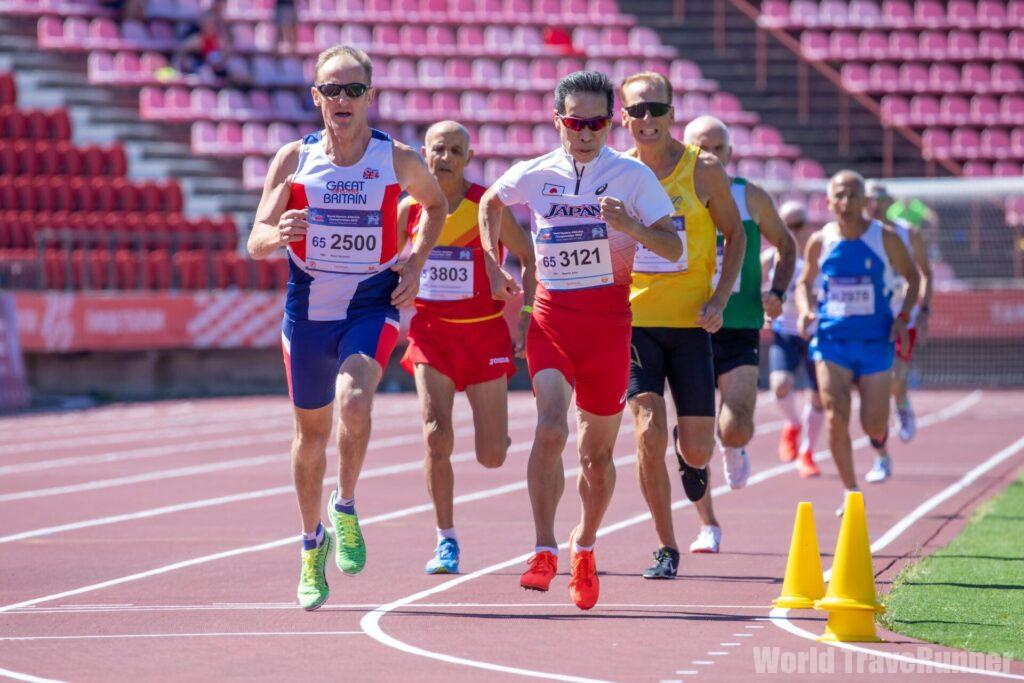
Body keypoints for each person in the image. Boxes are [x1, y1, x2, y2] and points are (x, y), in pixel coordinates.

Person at [247, 45, 448, 610]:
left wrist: (414, 260)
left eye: (352, 90)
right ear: (316, 98)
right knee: (311, 437)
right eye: (331, 90)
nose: (342, 100)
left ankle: (347, 505)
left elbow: (434, 206)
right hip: (308, 309)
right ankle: (312, 544)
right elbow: (255, 239)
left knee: (355, 401)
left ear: (370, 97)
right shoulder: (293, 160)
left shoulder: (396, 158)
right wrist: (279, 232)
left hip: (369, 303)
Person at [479, 71, 682, 609]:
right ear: (558, 121)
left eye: (596, 123)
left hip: (609, 329)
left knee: (595, 458)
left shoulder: (632, 178)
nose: (586, 132)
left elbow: (672, 245)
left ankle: (584, 545)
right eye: (576, 123)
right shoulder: (536, 172)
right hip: (552, 320)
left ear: (610, 122)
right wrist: (493, 262)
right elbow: (489, 204)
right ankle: (544, 548)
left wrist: (633, 228)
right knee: (549, 429)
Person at [618, 73, 746, 577]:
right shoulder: (613, 171)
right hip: (634, 326)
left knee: (696, 448)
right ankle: (666, 546)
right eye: (637, 111)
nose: (647, 119)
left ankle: (686, 452)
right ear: (623, 119)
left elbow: (735, 237)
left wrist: (719, 298)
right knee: (645, 430)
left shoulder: (703, 171)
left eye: (656, 109)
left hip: (693, 325)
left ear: (672, 113)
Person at [397, 120, 536, 575]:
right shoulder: (409, 210)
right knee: (436, 436)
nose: (446, 158)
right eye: (438, 149)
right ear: (424, 153)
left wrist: (527, 315)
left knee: (491, 456)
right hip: (432, 335)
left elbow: (529, 255)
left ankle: (499, 436)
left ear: (468, 158)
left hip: (482, 336)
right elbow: (382, 261)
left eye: (456, 151)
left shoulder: (486, 206)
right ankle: (446, 540)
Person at [678, 115, 797, 553]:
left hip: (739, 325)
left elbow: (787, 246)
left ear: (730, 155)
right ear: (686, 149)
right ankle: (707, 524)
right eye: (699, 146)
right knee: (693, 438)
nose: (708, 154)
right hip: (685, 325)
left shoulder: (751, 197)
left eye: (717, 148)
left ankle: (735, 446)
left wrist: (777, 291)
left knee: (736, 424)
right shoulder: (672, 192)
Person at [796, 171, 920, 515]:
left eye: (853, 195)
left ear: (865, 200)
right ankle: (851, 492)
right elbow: (804, 283)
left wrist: (903, 316)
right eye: (840, 195)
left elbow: (913, 278)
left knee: (873, 423)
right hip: (832, 341)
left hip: (875, 341)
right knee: (836, 413)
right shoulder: (820, 241)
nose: (846, 203)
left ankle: (880, 442)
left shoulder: (886, 238)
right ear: (828, 201)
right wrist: (806, 311)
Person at [865, 180, 933, 443]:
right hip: (871, 316)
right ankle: (879, 429)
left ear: (889, 202)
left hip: (904, 316)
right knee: (875, 377)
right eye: (870, 199)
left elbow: (925, 273)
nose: (875, 205)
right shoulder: (859, 235)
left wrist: (924, 310)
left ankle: (901, 405)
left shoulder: (909, 233)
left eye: (880, 199)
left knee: (896, 374)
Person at [764, 200, 825, 478]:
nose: (792, 231)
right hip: (785, 333)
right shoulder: (768, 260)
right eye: (786, 226)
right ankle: (792, 425)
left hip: (817, 334)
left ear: (807, 226)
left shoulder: (819, 257)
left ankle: (808, 452)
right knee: (779, 384)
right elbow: (751, 288)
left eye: (797, 225)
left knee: (820, 397)